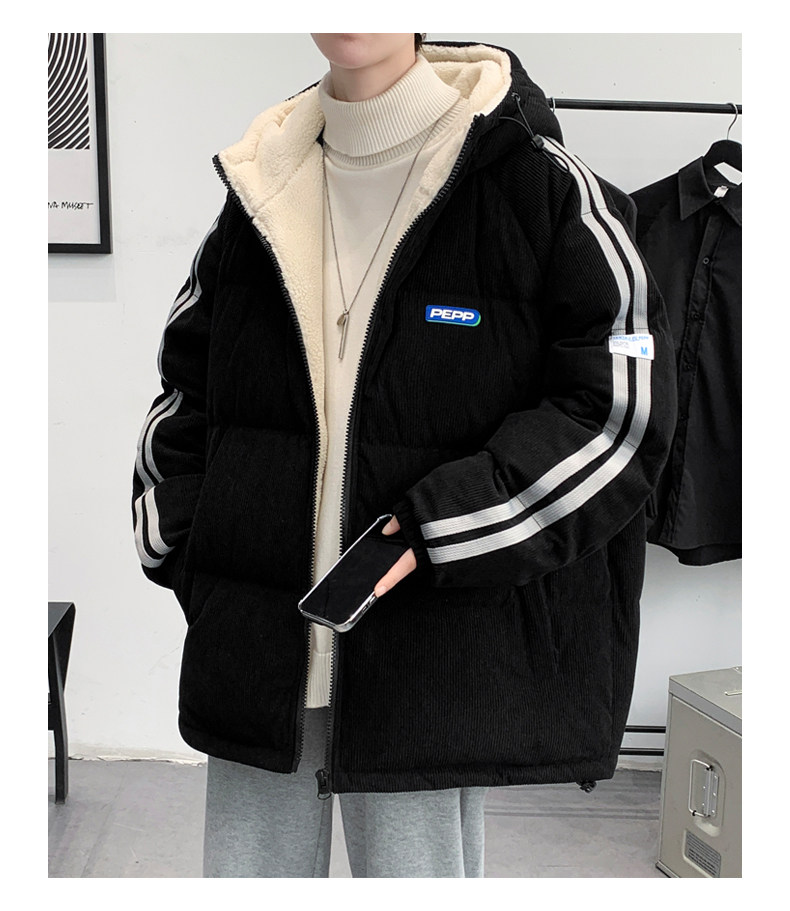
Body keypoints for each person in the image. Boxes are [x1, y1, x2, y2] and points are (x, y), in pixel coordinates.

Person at [132, 34, 676, 878]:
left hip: (429, 651)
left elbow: (617, 411)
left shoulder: (538, 187)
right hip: (256, 649)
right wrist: (186, 536)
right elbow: (185, 389)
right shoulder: (259, 184)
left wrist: (437, 531)